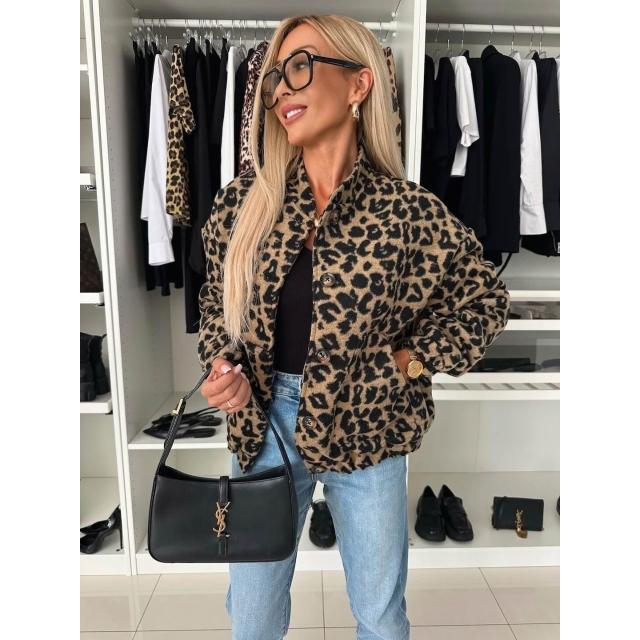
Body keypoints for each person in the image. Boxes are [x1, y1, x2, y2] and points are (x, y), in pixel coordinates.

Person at [198, 14, 511, 640]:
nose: (281, 91)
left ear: (359, 84)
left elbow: (484, 301)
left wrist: (410, 361)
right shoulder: (244, 203)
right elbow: (215, 305)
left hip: (369, 428)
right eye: (275, 79)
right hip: (264, 426)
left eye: (300, 67)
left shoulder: (407, 213)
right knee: (252, 618)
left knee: (380, 616)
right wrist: (220, 368)